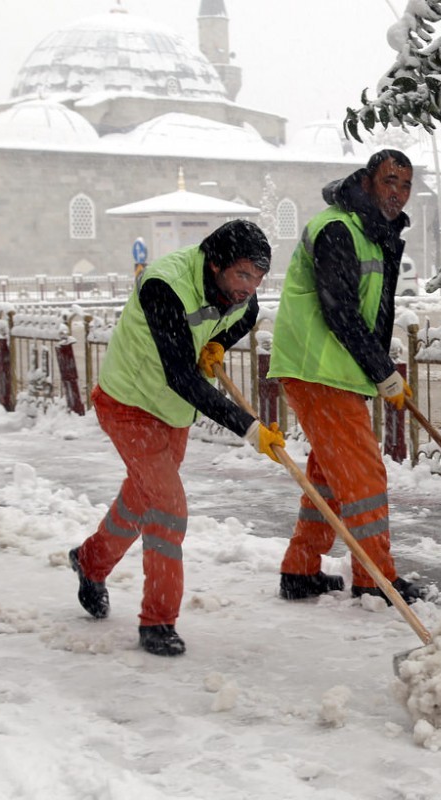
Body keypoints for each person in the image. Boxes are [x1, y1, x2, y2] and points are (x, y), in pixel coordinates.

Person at [68, 219, 285, 656]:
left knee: (145, 497)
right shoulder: (164, 285)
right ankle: (158, 621)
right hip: (129, 402)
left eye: (258, 278)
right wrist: (247, 426)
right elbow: (182, 375)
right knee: (167, 507)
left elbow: (249, 314)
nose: (249, 287)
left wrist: (220, 342)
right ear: (216, 263)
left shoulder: (243, 291)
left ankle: (91, 561)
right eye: (243, 275)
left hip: (172, 412)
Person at [268, 149, 424, 606]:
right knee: (364, 476)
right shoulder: (339, 228)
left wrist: (376, 371)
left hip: (335, 370)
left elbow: (376, 312)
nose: (397, 193)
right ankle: (375, 578)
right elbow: (341, 312)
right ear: (369, 181)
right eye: (389, 181)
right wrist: (383, 371)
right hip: (318, 368)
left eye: (405, 185)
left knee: (331, 477)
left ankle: (300, 570)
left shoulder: (376, 233)